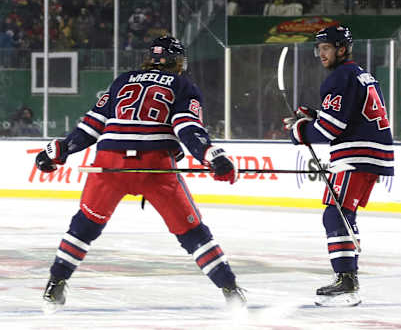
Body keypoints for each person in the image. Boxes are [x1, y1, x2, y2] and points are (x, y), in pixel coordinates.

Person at [35, 36, 246, 313]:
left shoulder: (123, 80)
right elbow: (187, 129)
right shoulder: (184, 85)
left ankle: (55, 282)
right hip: (154, 166)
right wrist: (210, 155)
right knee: (193, 233)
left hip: (109, 164)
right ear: (178, 61)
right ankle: (229, 289)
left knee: (84, 226)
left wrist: (59, 150)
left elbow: (90, 127)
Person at [283, 25, 394, 306]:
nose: (321, 54)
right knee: (343, 215)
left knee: (335, 216)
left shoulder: (339, 77)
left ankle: (346, 279)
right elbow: (348, 115)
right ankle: (348, 276)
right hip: (371, 152)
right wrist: (316, 115)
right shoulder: (359, 74)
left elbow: (331, 129)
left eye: (326, 48)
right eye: (319, 49)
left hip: (356, 156)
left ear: (342, 49)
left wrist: (300, 132)